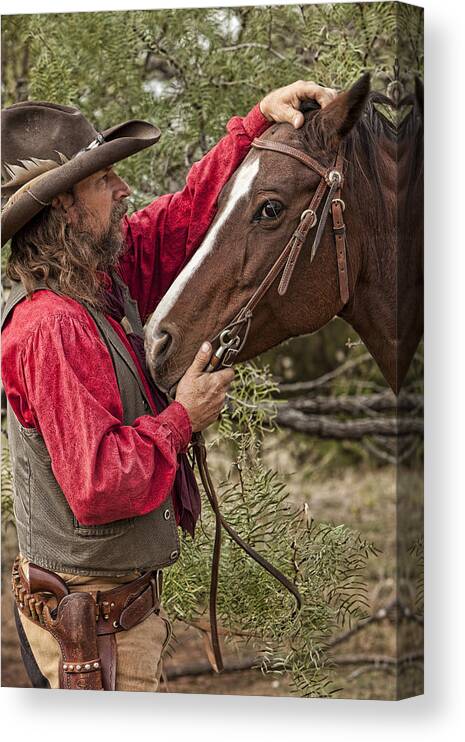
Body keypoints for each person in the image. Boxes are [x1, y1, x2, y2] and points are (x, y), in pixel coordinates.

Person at [1, 80, 336, 692]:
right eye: (104, 182)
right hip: (92, 636)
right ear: (65, 211)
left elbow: (185, 217)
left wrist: (257, 120)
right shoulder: (52, 327)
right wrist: (184, 417)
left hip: (112, 620)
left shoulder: (101, 282)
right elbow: (100, 485)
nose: (124, 189)